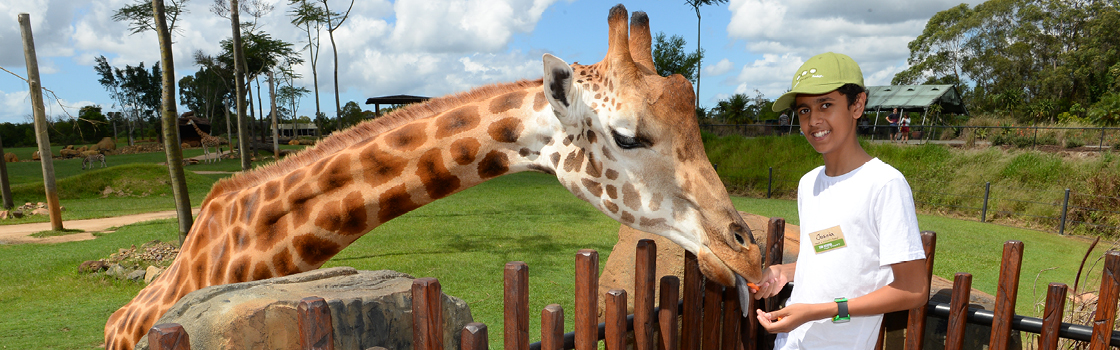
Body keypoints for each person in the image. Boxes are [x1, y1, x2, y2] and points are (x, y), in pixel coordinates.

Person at [754, 52, 929, 349]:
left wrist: (822, 311)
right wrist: (786, 272)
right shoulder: (809, 183)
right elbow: (836, 255)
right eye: (805, 110)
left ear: (857, 104)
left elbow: (913, 290)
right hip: (791, 342)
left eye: (826, 105)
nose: (814, 121)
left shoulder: (885, 184)